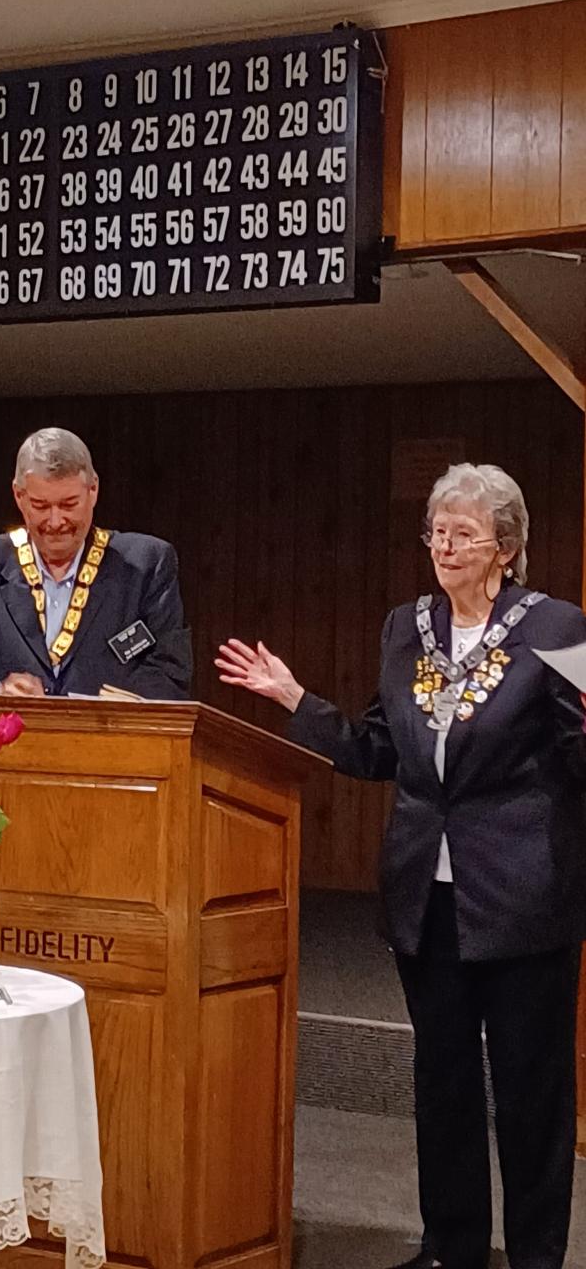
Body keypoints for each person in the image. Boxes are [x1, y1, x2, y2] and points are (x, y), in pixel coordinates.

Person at [216, 463, 586, 1269]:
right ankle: (450, 1249)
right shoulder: (405, 626)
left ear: (507, 547)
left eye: (464, 534)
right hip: (428, 895)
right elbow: (378, 749)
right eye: (436, 532)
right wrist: (293, 699)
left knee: (532, 1098)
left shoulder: (559, 628)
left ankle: (534, 1259)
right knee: (442, 1084)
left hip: (525, 899)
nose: (445, 547)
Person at [0, 427, 192, 699]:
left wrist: (106, 714)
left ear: (93, 490)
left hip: (111, 737)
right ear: (19, 496)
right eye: (40, 506)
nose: (55, 521)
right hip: (6, 737)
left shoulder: (147, 565)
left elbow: (170, 668)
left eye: (69, 504)